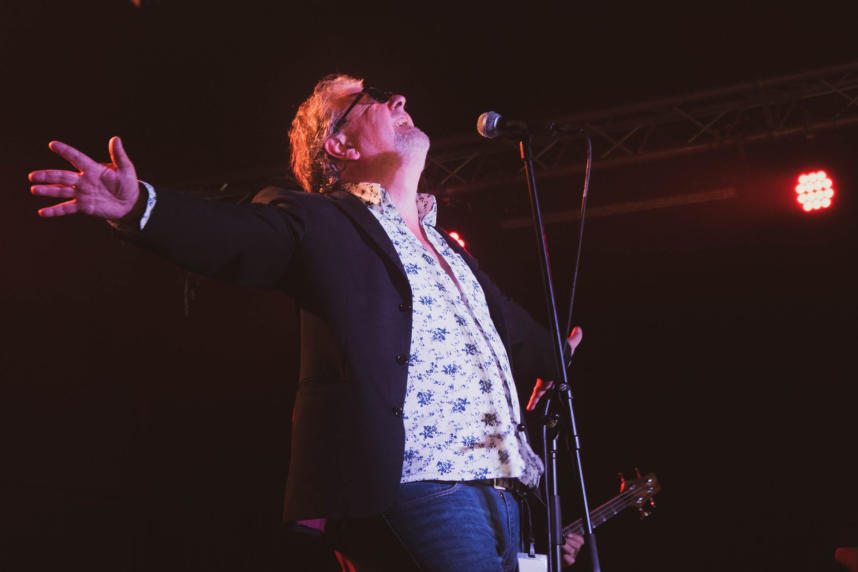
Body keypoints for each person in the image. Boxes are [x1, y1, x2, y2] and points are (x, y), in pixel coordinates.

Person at [29, 74, 585, 570]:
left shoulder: (447, 247)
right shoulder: (324, 222)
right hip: (417, 480)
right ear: (339, 145)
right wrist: (141, 207)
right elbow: (235, 236)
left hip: (502, 487)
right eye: (371, 98)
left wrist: (558, 354)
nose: (399, 98)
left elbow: (516, 332)